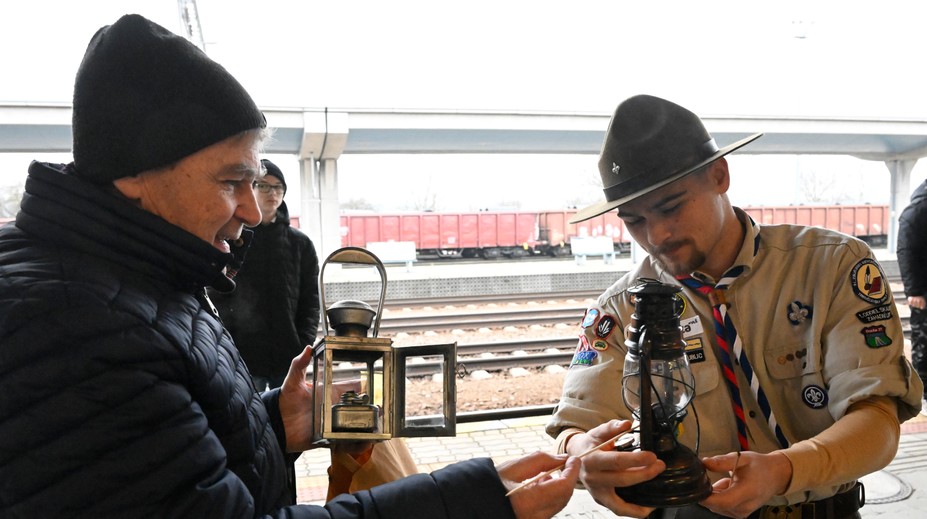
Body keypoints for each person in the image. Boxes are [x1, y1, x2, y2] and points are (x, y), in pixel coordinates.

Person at [0, 13, 589, 518]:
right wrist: (476, 501)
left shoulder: (126, 280)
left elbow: (172, 469)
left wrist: (278, 423)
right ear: (133, 175)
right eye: (232, 182)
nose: (254, 212)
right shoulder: (76, 326)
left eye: (255, 182)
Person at [545, 94, 924, 519]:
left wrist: (783, 471)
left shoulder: (831, 266)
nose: (656, 235)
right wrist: (584, 458)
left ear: (720, 175)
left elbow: (878, 421)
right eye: (633, 220)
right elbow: (572, 429)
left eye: (671, 206)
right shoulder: (622, 309)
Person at [211, 158, 321, 392]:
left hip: (288, 352)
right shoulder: (234, 239)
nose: (273, 192)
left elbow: (311, 300)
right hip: (243, 353)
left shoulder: (300, 244)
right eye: (264, 185)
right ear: (250, 188)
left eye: (278, 187)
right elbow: (218, 291)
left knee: (286, 419)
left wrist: (304, 342)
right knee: (248, 416)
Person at [897, 178, 927, 415]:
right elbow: (905, 250)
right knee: (923, 343)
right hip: (924, 292)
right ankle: (924, 392)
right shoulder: (917, 210)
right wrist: (913, 290)